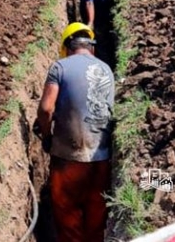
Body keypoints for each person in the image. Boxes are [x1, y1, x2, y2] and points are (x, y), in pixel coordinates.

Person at [36, 22, 115, 242]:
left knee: (67, 214)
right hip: (102, 157)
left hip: (68, 157)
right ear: (91, 48)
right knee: (96, 214)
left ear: (67, 48)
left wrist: (46, 136)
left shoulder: (59, 68)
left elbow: (46, 109)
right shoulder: (107, 69)